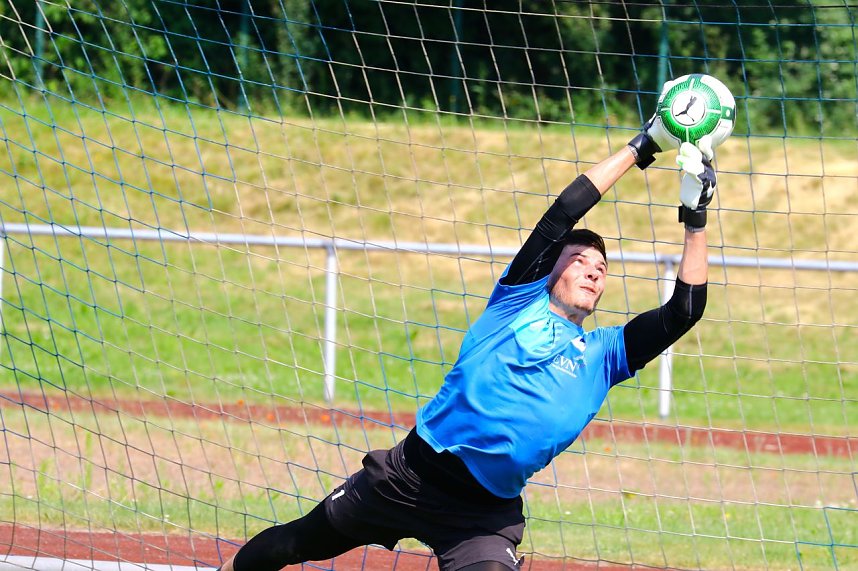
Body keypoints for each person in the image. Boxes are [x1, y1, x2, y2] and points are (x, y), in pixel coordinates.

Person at [217, 121, 717, 571]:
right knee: (293, 545)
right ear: (549, 271)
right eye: (579, 259)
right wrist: (644, 145)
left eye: (601, 268)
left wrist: (695, 219)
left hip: (481, 515)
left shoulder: (605, 355)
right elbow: (563, 212)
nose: (592, 268)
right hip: (407, 476)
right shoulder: (516, 302)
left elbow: (684, 312)